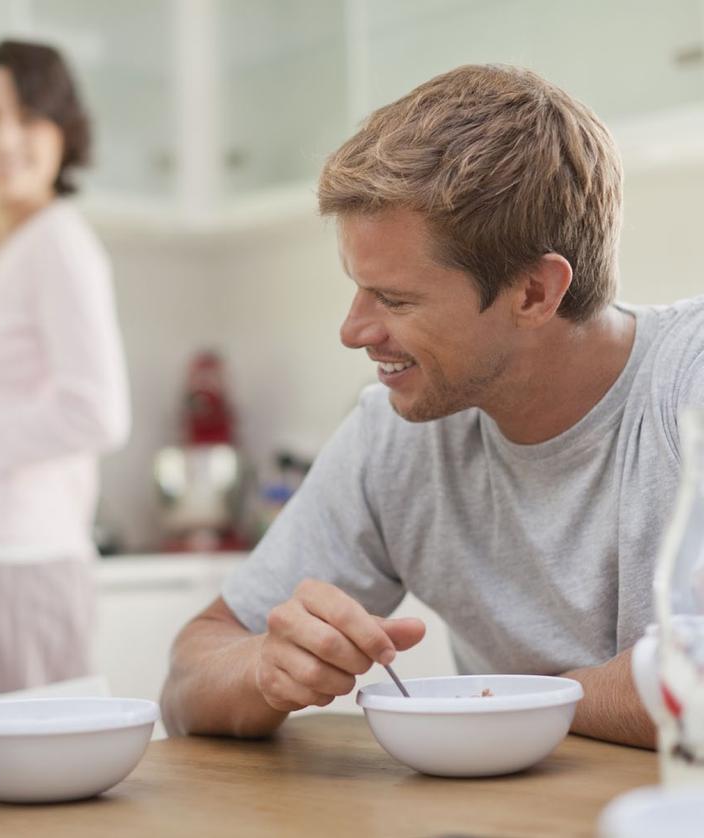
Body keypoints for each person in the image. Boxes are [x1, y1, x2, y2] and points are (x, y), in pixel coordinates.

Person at [161, 64, 704, 748]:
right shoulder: (394, 435)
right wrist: (265, 671)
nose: (353, 331)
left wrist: (502, 705)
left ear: (535, 292)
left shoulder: (689, 385)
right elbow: (188, 677)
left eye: (394, 299)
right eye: (358, 289)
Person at [0, 40, 130, 694]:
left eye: (27, 114)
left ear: (63, 131)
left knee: (31, 777)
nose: (4, 137)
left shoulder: (59, 239)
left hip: (23, 556)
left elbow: (97, 414)